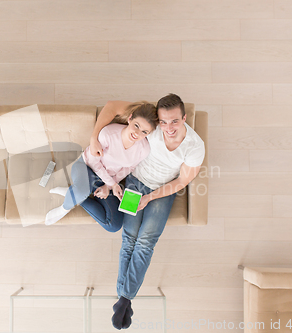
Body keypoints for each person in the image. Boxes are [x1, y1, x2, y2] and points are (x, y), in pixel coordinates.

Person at [89, 94, 205, 330]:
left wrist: (149, 198)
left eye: (174, 121)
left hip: (163, 190)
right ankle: (125, 299)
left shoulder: (195, 146)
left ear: (184, 118)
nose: (168, 128)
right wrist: (94, 138)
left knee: (146, 241)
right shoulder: (149, 126)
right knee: (129, 237)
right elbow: (111, 106)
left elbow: (182, 181)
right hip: (134, 183)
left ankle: (124, 298)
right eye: (163, 122)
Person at [44, 102, 158, 229]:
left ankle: (73, 194)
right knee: (82, 190)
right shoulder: (109, 134)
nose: (137, 133)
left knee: (114, 225)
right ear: (130, 118)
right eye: (136, 125)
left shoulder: (144, 149)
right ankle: (63, 208)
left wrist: (108, 186)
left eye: (144, 132)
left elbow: (129, 168)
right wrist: (112, 184)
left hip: (106, 181)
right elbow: (94, 162)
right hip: (87, 168)